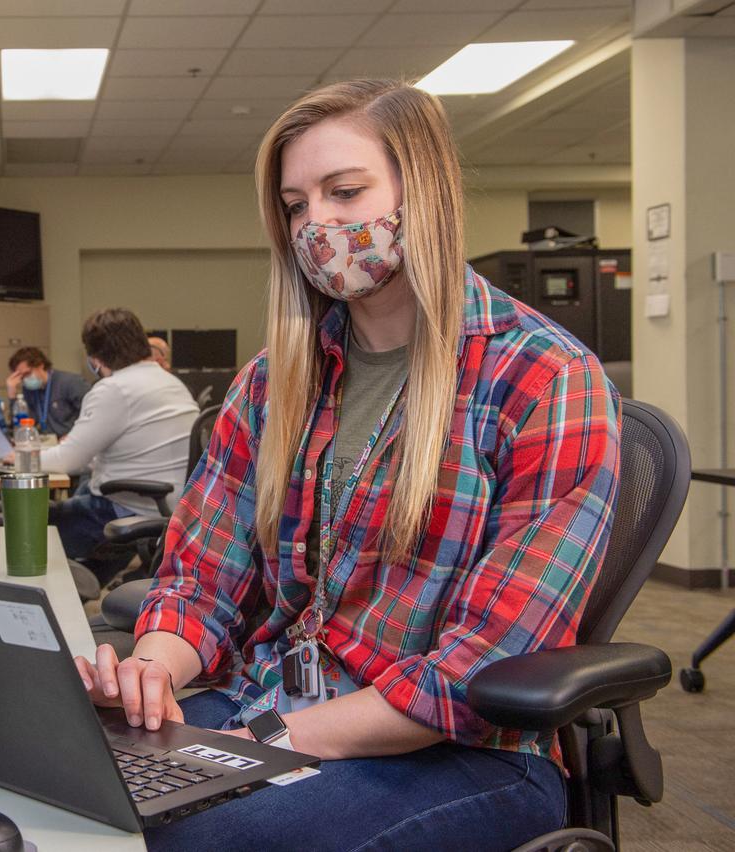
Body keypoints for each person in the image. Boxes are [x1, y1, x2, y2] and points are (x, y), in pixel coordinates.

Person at [73, 80, 620, 850]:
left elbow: (483, 671)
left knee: (193, 842)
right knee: (65, 785)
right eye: (297, 205)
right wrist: (152, 668)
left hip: (458, 753)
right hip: (269, 712)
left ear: (420, 191)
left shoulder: (544, 379)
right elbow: (201, 579)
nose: (316, 224)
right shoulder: (273, 381)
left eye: (345, 190)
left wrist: (269, 735)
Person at [34, 309, 198, 583]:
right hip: (172, 507)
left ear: (95, 359)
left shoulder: (114, 389)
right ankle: (85, 589)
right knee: (86, 490)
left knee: (33, 527)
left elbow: (67, 461)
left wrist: (19, 457)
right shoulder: (170, 382)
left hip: (132, 507)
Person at [4, 346, 87, 437]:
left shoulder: (70, 382)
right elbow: (23, 424)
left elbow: (92, 416)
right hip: (48, 442)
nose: (26, 379)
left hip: (73, 442)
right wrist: (12, 396)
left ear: (40, 365)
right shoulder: (29, 389)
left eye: (27, 373)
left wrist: (73, 435)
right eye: (22, 377)